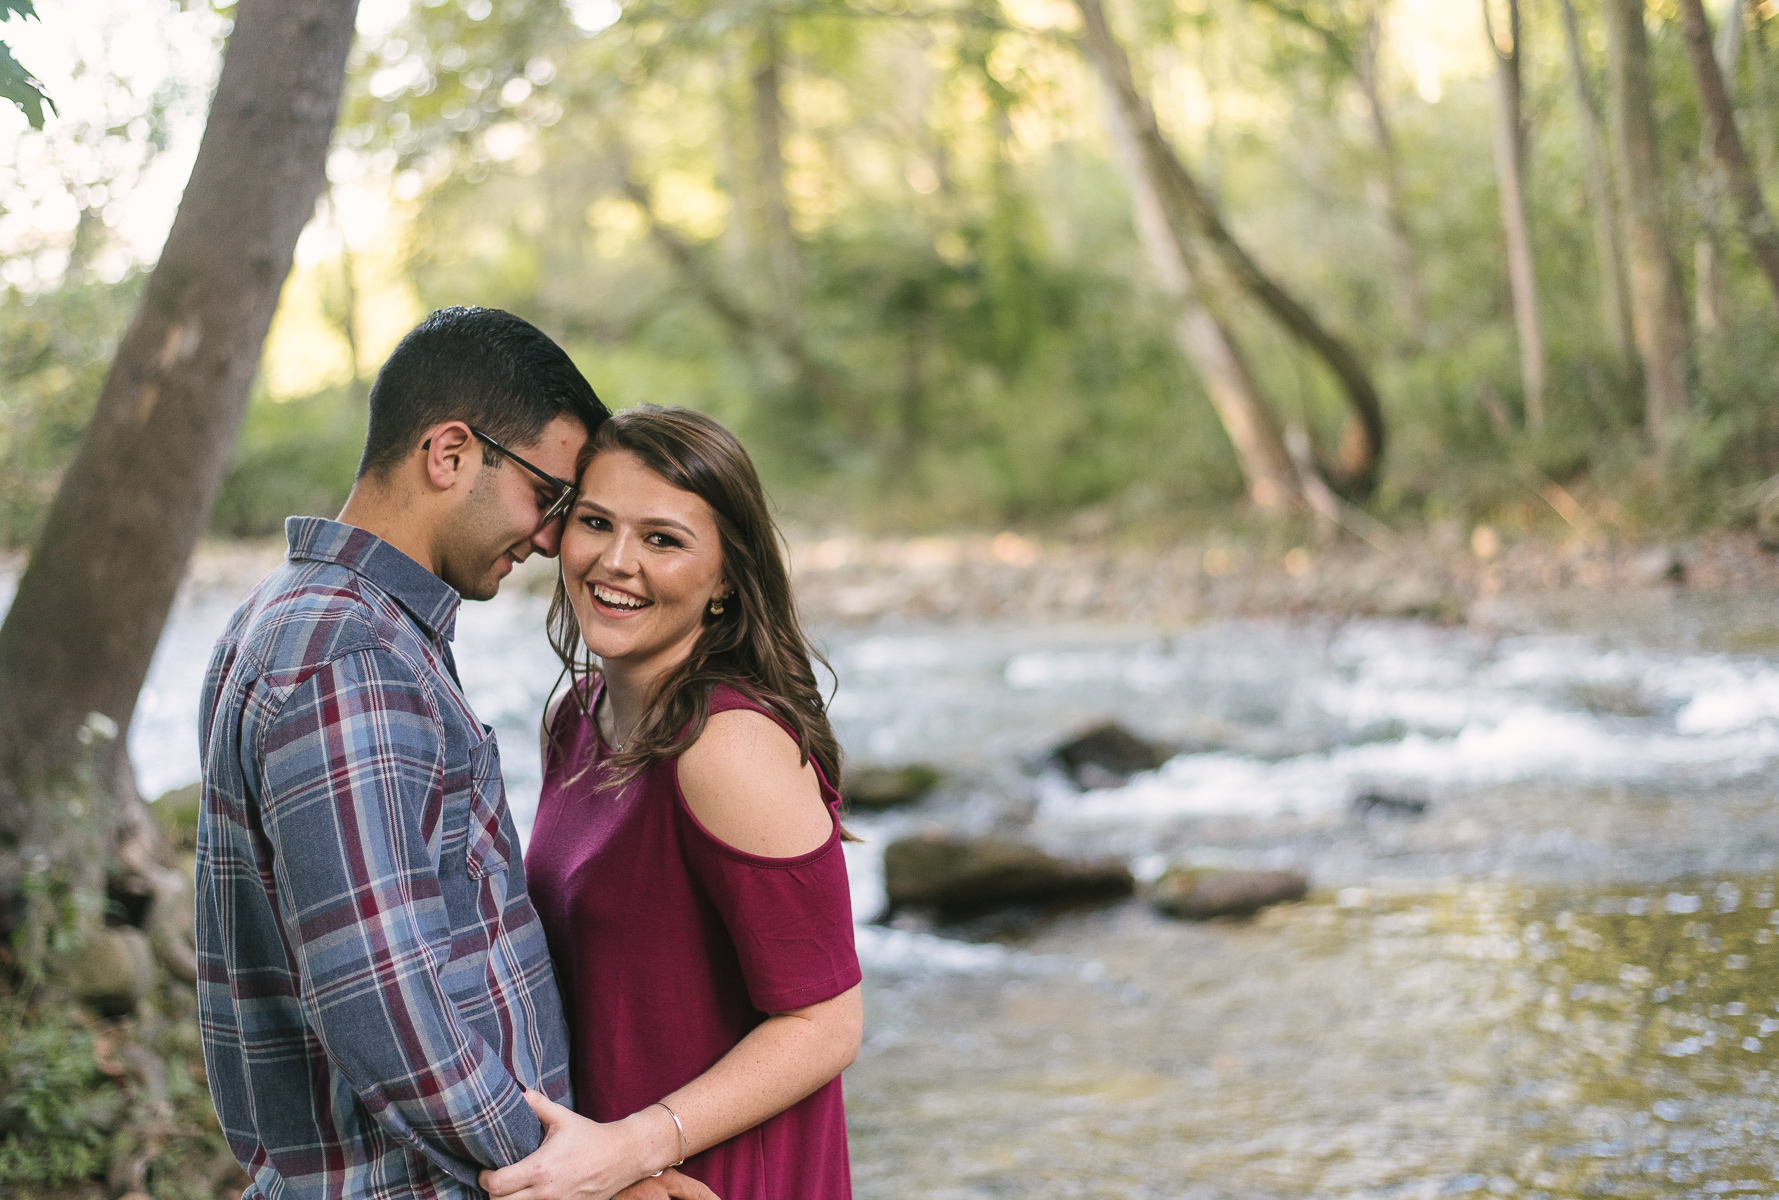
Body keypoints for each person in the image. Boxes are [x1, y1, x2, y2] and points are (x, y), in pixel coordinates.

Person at [195, 307, 713, 1200]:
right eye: (548, 496)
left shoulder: (301, 618)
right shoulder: (348, 655)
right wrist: (575, 1175)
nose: (554, 540)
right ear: (450, 454)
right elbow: (381, 999)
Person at [481, 406, 863, 1200]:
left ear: (726, 576)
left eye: (663, 539)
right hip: (604, 1175)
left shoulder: (730, 748)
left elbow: (826, 1024)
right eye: (594, 523)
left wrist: (639, 1146)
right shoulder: (575, 718)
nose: (616, 562)